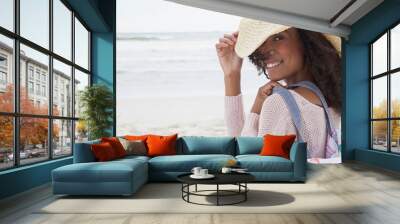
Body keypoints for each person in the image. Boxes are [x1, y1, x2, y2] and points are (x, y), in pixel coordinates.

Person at [215, 18, 342, 159]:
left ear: (307, 42)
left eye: (278, 37)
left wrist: (256, 110)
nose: (264, 50)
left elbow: (249, 164)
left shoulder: (280, 103)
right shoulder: (331, 102)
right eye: (261, 42)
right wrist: (232, 75)